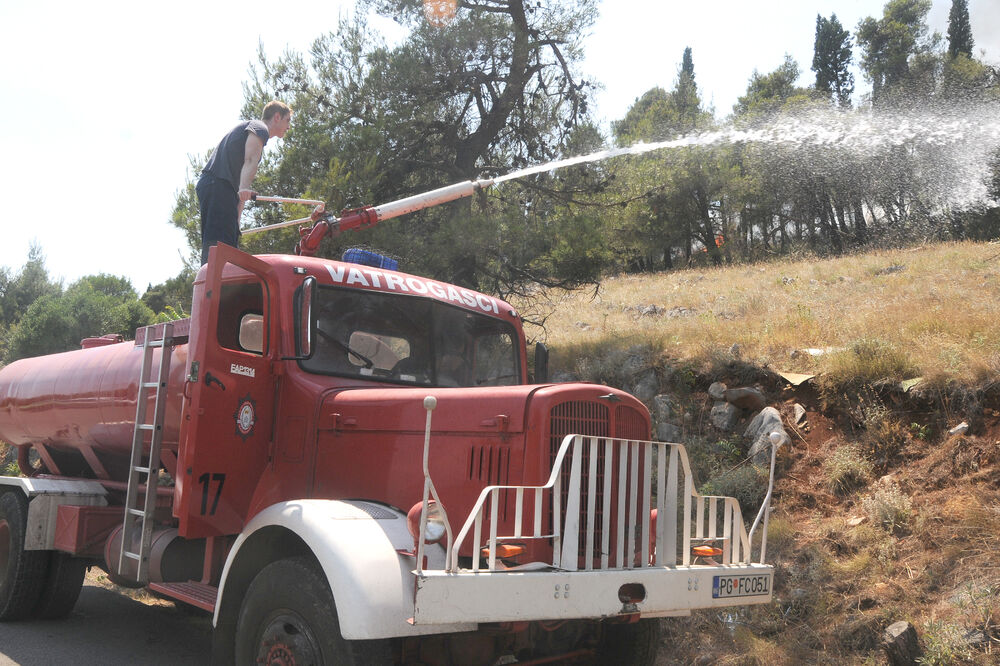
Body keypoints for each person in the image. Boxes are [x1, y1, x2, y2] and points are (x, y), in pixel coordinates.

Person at [197, 101, 292, 264]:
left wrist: (237, 221)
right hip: (218, 185)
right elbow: (250, 161)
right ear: (277, 117)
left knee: (226, 244)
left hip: (218, 188)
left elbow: (241, 190)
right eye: (288, 120)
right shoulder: (259, 127)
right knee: (219, 246)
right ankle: (212, 285)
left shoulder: (255, 137)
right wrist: (244, 188)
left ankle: (217, 282)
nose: (289, 126)